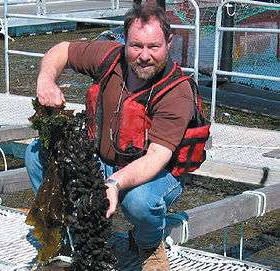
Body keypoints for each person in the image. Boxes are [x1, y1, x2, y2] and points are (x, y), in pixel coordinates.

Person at [25, 3, 194, 271]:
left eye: (154, 47)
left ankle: (148, 245)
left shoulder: (177, 93)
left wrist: (114, 184)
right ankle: (66, 231)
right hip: (103, 159)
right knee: (36, 154)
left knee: (140, 202)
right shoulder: (109, 57)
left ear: (169, 42)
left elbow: (156, 157)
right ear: (125, 40)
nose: (144, 56)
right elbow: (61, 50)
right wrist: (46, 80)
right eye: (137, 45)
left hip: (159, 172)